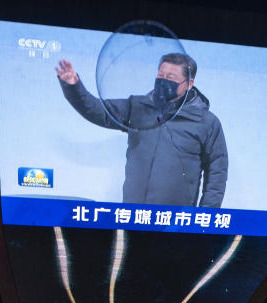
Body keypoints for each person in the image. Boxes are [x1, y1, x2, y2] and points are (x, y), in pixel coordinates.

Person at [56, 53, 228, 208]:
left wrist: (206, 218)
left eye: (171, 77)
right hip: (133, 217)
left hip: (176, 223)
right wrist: (73, 86)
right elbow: (98, 111)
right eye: (161, 75)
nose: (163, 80)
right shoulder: (138, 107)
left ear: (189, 84)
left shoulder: (206, 122)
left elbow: (217, 172)